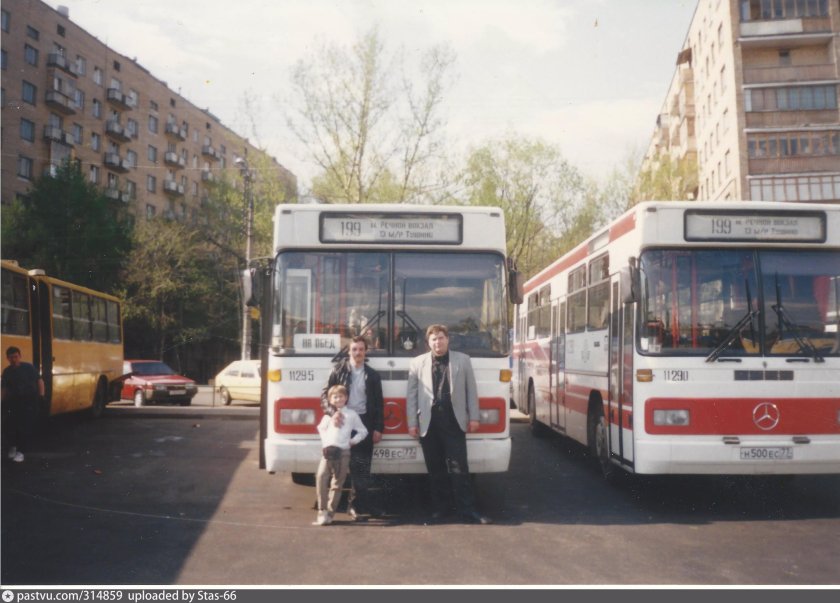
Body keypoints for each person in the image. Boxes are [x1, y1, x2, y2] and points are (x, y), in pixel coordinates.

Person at [407, 324, 491, 525]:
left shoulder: (463, 360)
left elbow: (471, 391)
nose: (438, 342)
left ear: (448, 339)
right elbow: (412, 396)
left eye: (441, 338)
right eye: (434, 339)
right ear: (428, 342)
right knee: (435, 469)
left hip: (454, 421)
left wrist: (474, 417)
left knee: (459, 468)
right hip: (428, 422)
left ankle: (468, 511)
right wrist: (412, 423)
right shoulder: (417, 363)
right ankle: (441, 510)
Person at [320, 335, 385, 520]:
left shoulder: (373, 375)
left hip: (363, 422)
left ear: (366, 352)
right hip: (342, 422)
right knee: (336, 468)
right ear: (349, 352)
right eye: (354, 349)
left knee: (361, 467)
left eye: (361, 350)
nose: (358, 353)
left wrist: (378, 428)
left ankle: (355, 506)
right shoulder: (337, 371)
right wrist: (333, 413)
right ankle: (327, 508)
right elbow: (324, 396)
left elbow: (379, 404)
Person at [314, 384, 368, 526]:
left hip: (344, 452)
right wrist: (325, 443)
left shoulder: (352, 415)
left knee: (337, 483)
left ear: (346, 398)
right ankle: (322, 510)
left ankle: (330, 514)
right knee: (321, 477)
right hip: (328, 452)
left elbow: (363, 431)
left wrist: (352, 441)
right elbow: (321, 428)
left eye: (341, 396)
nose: (338, 399)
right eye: (335, 397)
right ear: (330, 400)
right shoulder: (328, 415)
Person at [1, 346, 45, 464]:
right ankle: (13, 447)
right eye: (11, 357)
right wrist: (2, 400)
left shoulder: (29, 368)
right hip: (13, 402)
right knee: (10, 426)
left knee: (24, 427)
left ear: (20, 356)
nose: (14, 360)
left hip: (29, 401)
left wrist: (41, 396)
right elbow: (4, 388)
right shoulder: (7, 371)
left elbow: (39, 381)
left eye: (16, 357)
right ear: (7, 358)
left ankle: (21, 452)